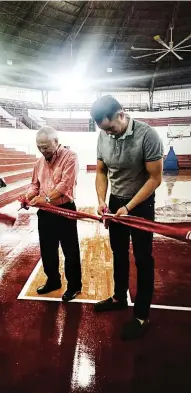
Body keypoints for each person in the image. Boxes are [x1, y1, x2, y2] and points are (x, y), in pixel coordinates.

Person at [90, 95, 164, 340]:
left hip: (140, 204)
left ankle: (142, 315)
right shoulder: (103, 134)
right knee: (118, 251)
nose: (108, 133)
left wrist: (130, 207)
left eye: (110, 127)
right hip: (115, 202)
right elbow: (101, 171)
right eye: (104, 130)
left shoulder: (147, 135)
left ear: (121, 115)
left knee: (143, 258)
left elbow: (155, 178)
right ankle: (119, 297)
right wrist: (102, 200)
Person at [26, 126, 82, 301]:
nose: (42, 151)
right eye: (39, 147)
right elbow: (35, 185)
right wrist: (28, 196)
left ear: (56, 142)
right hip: (45, 213)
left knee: (70, 250)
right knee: (47, 250)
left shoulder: (70, 157)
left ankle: (74, 286)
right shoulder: (38, 163)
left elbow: (65, 185)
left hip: (65, 210)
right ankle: (53, 281)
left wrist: (46, 199)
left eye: (46, 147)